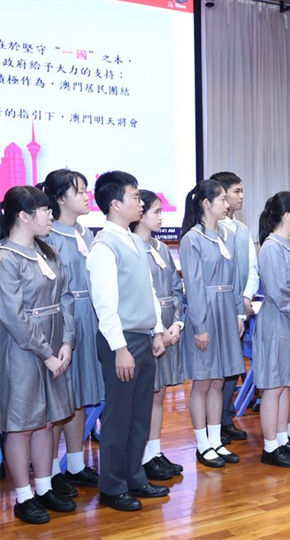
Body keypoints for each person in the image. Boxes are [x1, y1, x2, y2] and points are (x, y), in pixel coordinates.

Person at [85, 171, 168, 511]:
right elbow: (105, 303)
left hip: (143, 337)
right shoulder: (104, 246)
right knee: (119, 417)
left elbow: (148, 291)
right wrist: (120, 348)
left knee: (139, 415)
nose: (140, 202)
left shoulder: (135, 241)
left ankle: (135, 477)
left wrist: (159, 329)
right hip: (121, 341)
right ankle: (112, 486)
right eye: (134, 196)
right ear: (115, 204)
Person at [0, 186, 77, 524]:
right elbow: (13, 317)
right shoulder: (6, 258)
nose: (49, 216)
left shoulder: (49, 251)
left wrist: (67, 342)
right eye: (44, 210)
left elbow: (67, 298)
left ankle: (44, 486)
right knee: (21, 425)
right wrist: (46, 353)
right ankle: (23, 495)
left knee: (47, 420)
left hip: (54, 345)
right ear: (24, 216)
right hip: (22, 350)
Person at [38, 169, 102, 496]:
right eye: (79, 191)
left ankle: (75, 464)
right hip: (65, 322)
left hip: (89, 318)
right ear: (60, 198)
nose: (85, 196)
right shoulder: (48, 236)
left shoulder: (87, 233)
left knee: (80, 397)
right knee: (60, 401)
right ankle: (50, 473)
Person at [179, 180, 245, 469]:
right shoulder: (192, 239)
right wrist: (200, 325)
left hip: (226, 312)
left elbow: (236, 279)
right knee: (203, 381)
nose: (226, 204)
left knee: (219, 380)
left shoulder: (225, 236)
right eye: (221, 200)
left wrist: (238, 315)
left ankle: (216, 439)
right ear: (205, 204)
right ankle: (201, 443)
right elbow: (193, 286)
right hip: (205, 312)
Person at [254, 191, 290, 467]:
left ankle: (281, 440)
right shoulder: (270, 246)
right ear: (287, 215)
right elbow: (279, 291)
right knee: (274, 386)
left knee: (286, 384)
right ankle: (269, 446)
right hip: (277, 319)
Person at [130, 190, 185, 480]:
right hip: (147, 334)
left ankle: (154, 451)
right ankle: (140, 456)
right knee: (145, 395)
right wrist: (157, 333)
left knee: (159, 394)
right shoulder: (131, 248)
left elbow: (176, 291)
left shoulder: (162, 248)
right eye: (156, 212)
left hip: (167, 331)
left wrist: (177, 323)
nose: (161, 217)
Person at [210, 171, 258, 445]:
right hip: (219, 310)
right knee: (216, 372)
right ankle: (214, 424)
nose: (241, 196)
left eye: (242, 191)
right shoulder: (210, 230)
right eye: (237, 191)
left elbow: (251, 268)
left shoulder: (242, 229)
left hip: (240, 307)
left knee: (232, 366)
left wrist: (247, 298)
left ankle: (226, 419)